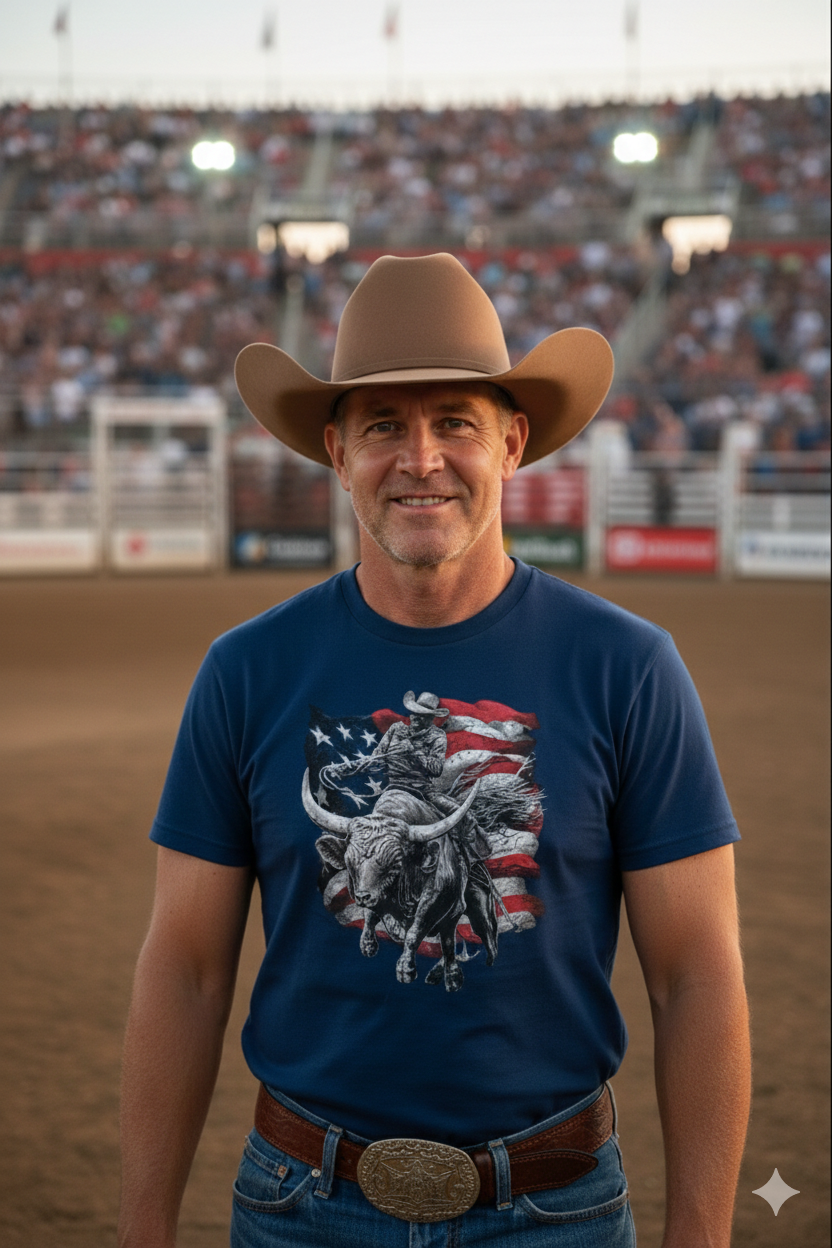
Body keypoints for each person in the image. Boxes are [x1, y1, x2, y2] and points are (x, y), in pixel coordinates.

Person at [118, 253, 751, 1248]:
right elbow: (186, 970)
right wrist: (143, 1227)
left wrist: (703, 1237)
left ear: (511, 441)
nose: (420, 458)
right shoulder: (246, 672)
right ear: (336, 450)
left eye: (453, 420)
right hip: (301, 1208)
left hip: (557, 1209)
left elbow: (697, 974)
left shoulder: (627, 667)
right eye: (382, 425)